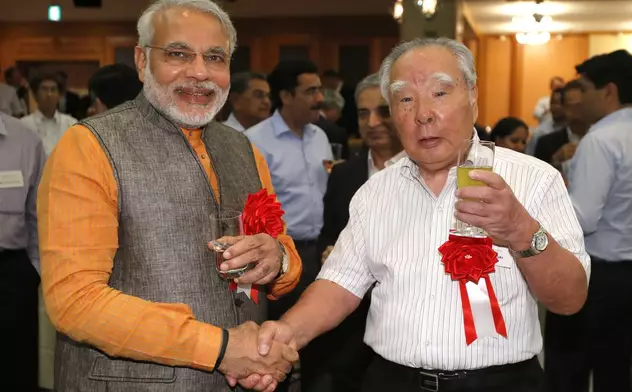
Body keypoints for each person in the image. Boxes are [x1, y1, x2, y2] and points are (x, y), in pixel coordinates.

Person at [241, 37, 590, 392]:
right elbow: (340, 285)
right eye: (405, 98)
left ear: (472, 95)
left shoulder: (533, 179)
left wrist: (520, 230)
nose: (423, 113)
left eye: (440, 93)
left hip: (500, 383)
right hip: (390, 381)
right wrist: (286, 333)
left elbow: (569, 299)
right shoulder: (375, 192)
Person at [37, 1, 301, 391]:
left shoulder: (244, 149)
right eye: (178, 54)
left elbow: (283, 256)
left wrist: (276, 260)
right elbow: (75, 300)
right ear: (142, 61)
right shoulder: (89, 146)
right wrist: (223, 348)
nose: (198, 72)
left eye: (215, 57)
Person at [555, 49, 632, 392]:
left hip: (600, 277)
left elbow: (583, 218)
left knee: (569, 368)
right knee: (615, 369)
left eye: (586, 88)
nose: (579, 98)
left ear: (607, 91)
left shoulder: (600, 140)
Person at [244, 59, 332, 390]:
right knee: (279, 341)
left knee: (320, 339)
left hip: (321, 253)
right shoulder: (256, 141)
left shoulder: (320, 136)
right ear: (285, 95)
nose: (319, 98)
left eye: (319, 89)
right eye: (310, 91)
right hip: (282, 257)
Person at [313, 73, 403, 392]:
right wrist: (328, 251)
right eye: (364, 114)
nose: (373, 122)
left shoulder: (424, 172)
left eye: (383, 111)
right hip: (349, 322)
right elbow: (328, 234)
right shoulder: (343, 174)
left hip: (404, 324)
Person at [0, 112, 46, 392]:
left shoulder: (25, 140)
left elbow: (39, 212)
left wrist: (34, 269)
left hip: (12, 273)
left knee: (16, 367)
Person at [535, 80, 588, 170]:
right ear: (563, 108)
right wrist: (555, 160)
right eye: (571, 106)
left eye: (581, 106)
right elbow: (535, 178)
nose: (577, 112)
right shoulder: (546, 143)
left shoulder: (602, 140)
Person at [21, 74, 77, 156]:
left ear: (59, 95)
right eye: (44, 89)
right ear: (35, 95)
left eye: (53, 89)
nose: (49, 94)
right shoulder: (23, 125)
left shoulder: (71, 124)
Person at [526, 87, 567, 156]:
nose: (553, 107)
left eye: (557, 103)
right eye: (552, 103)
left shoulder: (575, 129)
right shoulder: (541, 132)